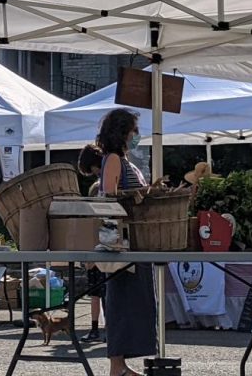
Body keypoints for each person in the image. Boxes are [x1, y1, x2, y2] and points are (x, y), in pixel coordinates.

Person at [95, 108, 156, 376]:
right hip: (122, 243)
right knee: (121, 302)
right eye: (134, 131)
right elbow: (109, 197)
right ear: (122, 132)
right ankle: (117, 366)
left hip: (135, 241)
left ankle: (121, 365)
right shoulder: (113, 160)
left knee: (132, 302)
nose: (136, 135)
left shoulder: (122, 160)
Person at [76, 143, 105, 343]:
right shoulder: (99, 186)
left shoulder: (98, 188)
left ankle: (95, 328)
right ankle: (101, 328)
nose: (95, 172)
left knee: (97, 291)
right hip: (103, 243)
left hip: (99, 244)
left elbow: (93, 224)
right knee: (102, 291)